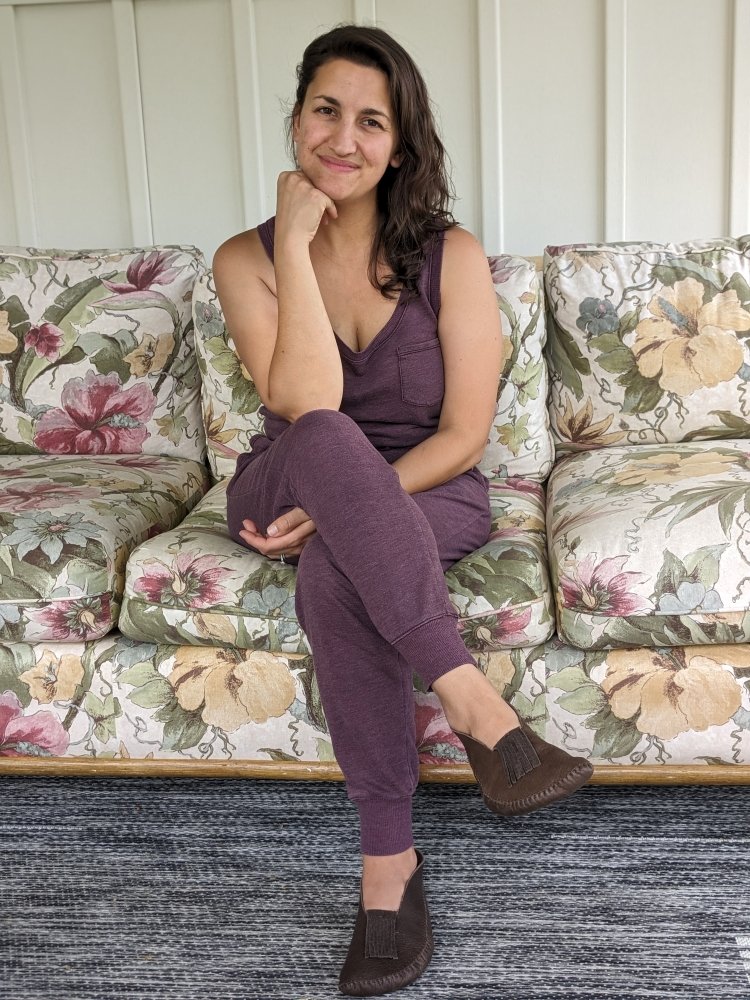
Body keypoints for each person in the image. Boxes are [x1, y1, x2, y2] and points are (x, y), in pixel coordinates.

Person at [213, 24, 593, 997]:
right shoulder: (244, 256)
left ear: (400, 140)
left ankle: (389, 868)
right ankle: (477, 707)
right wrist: (295, 242)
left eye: (370, 120)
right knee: (329, 441)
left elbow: (466, 431)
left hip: (429, 481)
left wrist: (353, 508)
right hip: (286, 476)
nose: (344, 137)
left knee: (345, 559)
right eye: (326, 110)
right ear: (297, 118)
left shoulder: (449, 255)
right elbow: (308, 405)